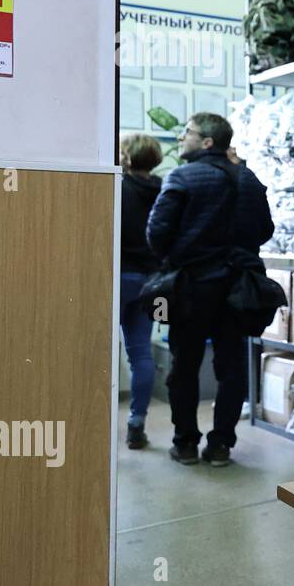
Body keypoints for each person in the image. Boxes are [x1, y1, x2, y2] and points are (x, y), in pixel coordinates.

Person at [146, 113, 274, 467]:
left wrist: (183, 255)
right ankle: (221, 446)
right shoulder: (248, 179)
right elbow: (264, 230)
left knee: (183, 367)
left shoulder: (182, 177)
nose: (181, 138)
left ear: (206, 142)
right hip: (238, 291)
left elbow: (156, 234)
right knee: (231, 368)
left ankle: (185, 442)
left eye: (187, 133)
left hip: (190, 289)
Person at [118, 133, 164, 450]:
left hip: (117, 277)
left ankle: (98, 424)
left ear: (128, 157)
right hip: (150, 281)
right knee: (141, 354)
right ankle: (137, 423)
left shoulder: (117, 187)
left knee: (101, 354)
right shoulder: (164, 189)